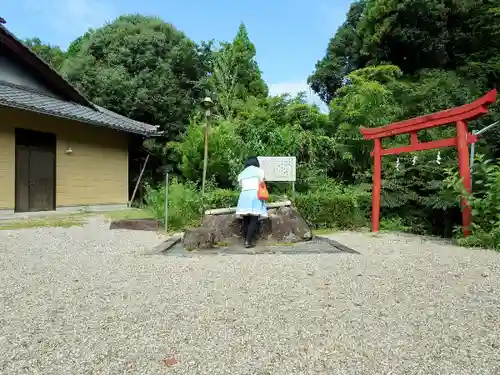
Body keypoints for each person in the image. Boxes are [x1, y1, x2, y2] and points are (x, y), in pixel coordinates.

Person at [236, 157, 268, 248]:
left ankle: (246, 239)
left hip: (244, 196)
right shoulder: (260, 171)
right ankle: (248, 241)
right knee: (254, 219)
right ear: (256, 163)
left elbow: (241, 185)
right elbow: (262, 182)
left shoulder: (242, 173)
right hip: (255, 195)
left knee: (245, 219)